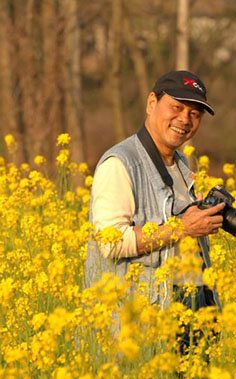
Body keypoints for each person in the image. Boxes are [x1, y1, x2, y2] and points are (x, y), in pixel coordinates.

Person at [84, 71, 225, 316]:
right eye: (177, 107)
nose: (185, 119)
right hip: (142, 318)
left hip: (191, 306)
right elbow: (110, 241)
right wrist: (183, 227)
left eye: (194, 114)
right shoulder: (120, 163)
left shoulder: (179, 164)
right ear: (152, 103)